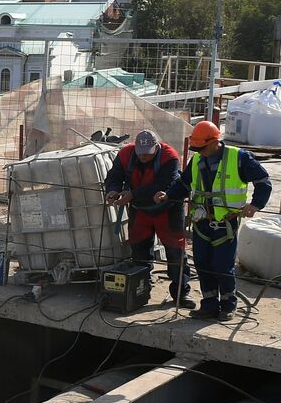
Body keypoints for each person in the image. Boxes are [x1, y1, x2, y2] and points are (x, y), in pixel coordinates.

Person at [163, 121, 272, 320]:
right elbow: (183, 183)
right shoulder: (197, 160)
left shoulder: (239, 158)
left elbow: (263, 181)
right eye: (197, 149)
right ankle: (209, 305)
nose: (200, 152)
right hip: (202, 222)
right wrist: (168, 195)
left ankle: (228, 305)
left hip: (225, 223)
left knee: (222, 265)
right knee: (203, 263)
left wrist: (256, 205)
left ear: (215, 142)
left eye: (202, 148)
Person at [103, 129, 192, 308]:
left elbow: (163, 186)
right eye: (140, 154)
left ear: (157, 147)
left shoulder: (169, 157)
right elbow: (114, 176)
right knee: (139, 251)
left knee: (175, 252)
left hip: (168, 210)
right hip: (140, 210)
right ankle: (141, 290)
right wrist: (112, 190)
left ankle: (181, 294)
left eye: (148, 154)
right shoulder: (126, 154)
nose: (144, 157)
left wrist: (131, 195)